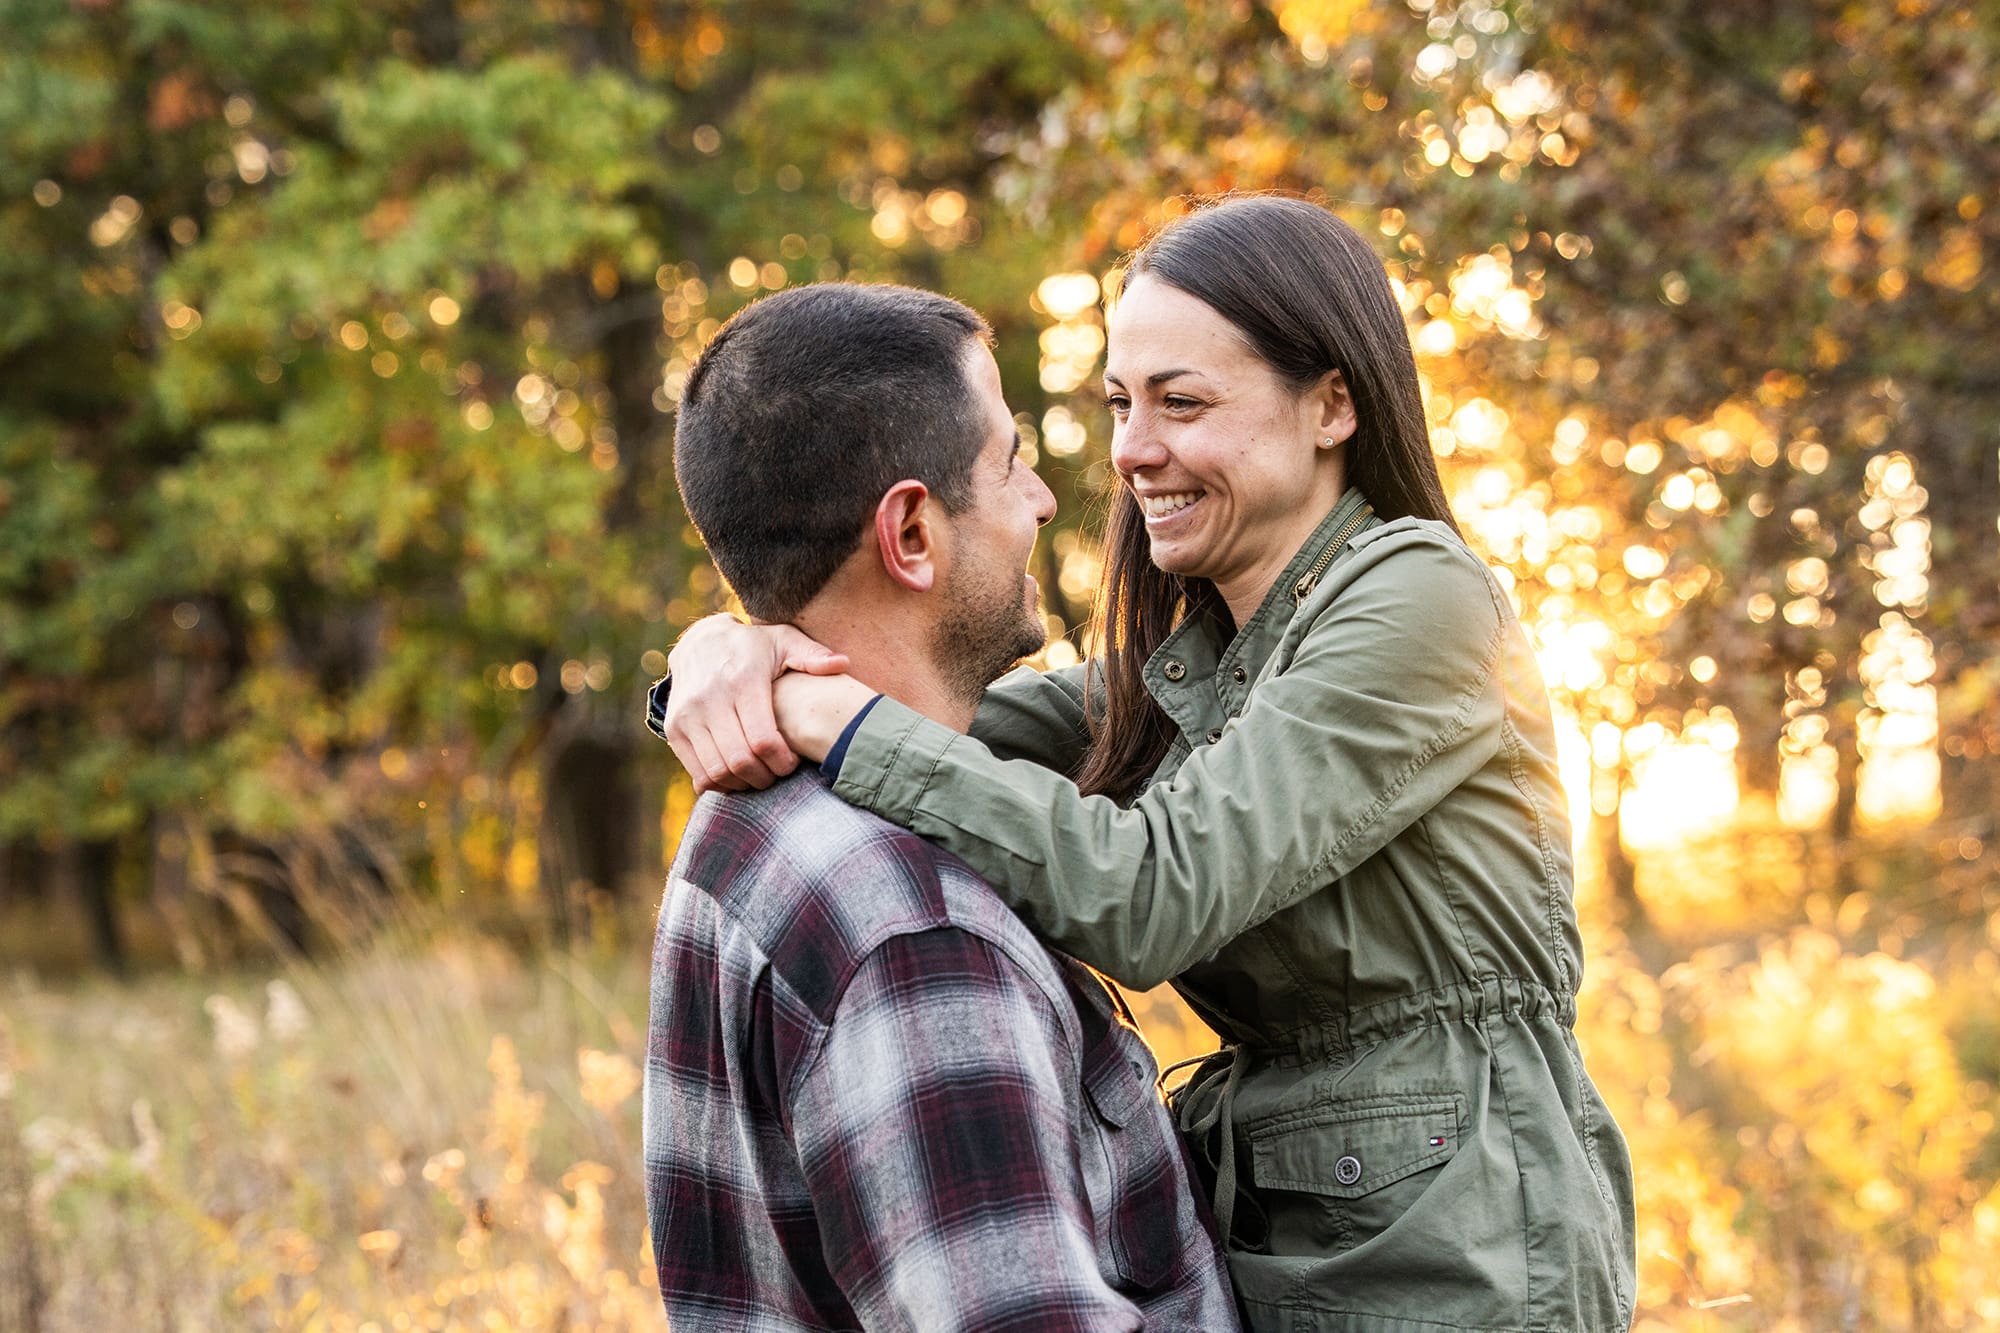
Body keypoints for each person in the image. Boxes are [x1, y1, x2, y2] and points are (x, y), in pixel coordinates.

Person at [656, 197, 1638, 1332]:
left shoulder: (1420, 598)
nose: (1128, 450)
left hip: (1452, 1265)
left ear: (1330, 404)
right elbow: (935, 721)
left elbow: (1144, 891)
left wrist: (832, 717)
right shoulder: (1194, 667)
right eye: (1119, 403)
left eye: (1181, 402)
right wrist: (731, 650)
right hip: (1289, 1247)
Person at [643, 280, 1240, 1332]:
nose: (1043, 499)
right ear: (911, 531)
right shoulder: (915, 928)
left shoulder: (750, 824)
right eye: (1007, 462)